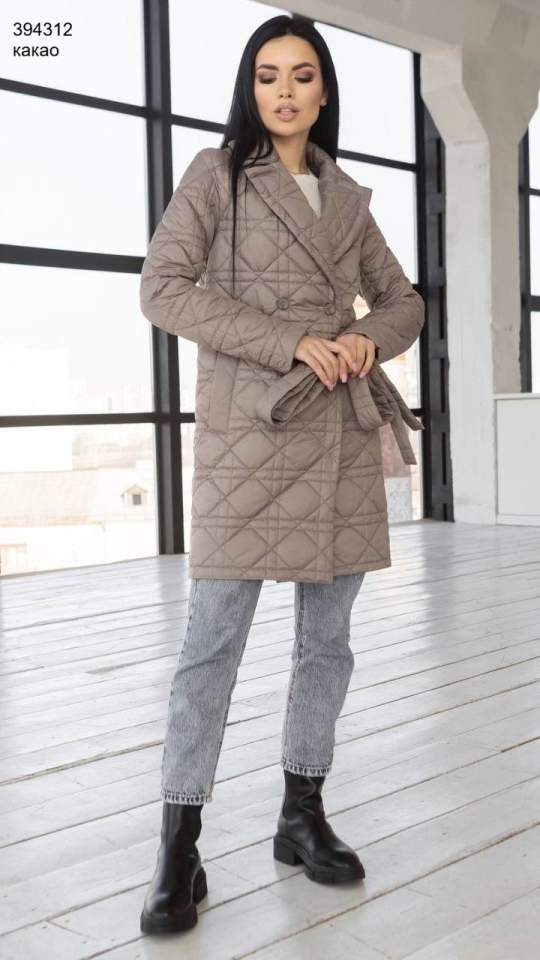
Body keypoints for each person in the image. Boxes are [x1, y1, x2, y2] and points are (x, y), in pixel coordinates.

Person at [138, 14, 425, 936]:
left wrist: (361, 338)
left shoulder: (347, 197)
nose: (286, 91)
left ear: (324, 90)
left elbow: (405, 302)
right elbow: (161, 289)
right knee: (211, 648)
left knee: (327, 644)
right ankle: (179, 848)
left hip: (336, 439)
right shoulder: (215, 175)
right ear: (250, 87)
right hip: (248, 440)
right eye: (268, 76)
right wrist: (291, 340)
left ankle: (302, 816)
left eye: (302, 75)